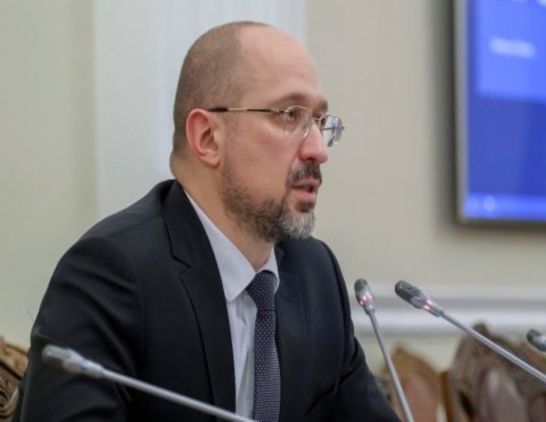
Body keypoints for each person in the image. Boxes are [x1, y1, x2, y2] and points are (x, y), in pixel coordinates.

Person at [14, 21, 398, 422]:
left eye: (320, 120)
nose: (318, 149)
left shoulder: (315, 275)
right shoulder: (113, 274)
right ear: (207, 138)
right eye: (289, 115)